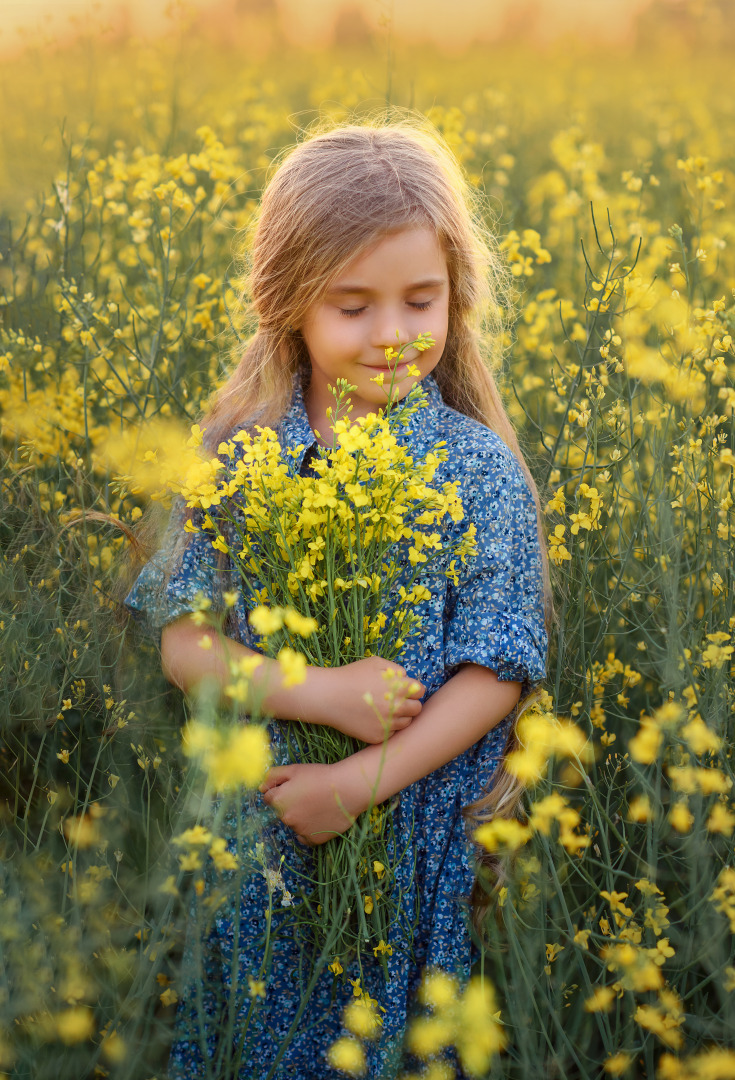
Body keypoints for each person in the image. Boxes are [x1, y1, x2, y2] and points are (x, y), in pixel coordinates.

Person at [125, 118, 550, 1079]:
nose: (393, 335)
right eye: (351, 306)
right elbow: (184, 645)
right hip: (262, 841)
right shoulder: (244, 454)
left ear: (456, 297)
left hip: (405, 840)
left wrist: (353, 783)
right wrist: (316, 694)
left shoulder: (476, 467)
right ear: (289, 307)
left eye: (420, 300)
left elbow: (497, 672)